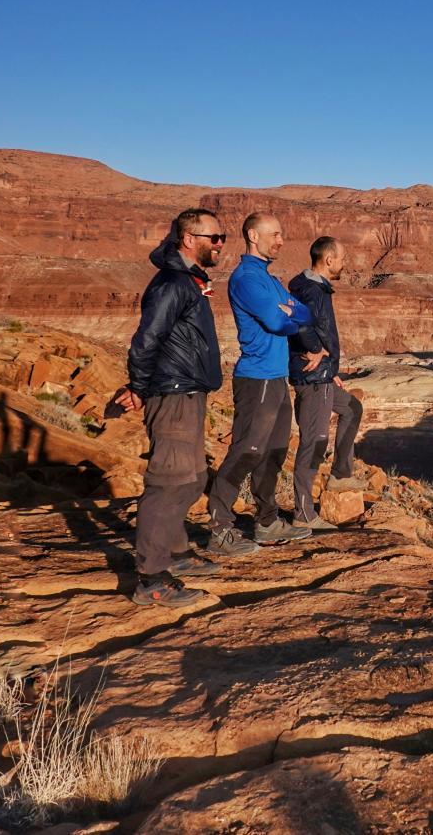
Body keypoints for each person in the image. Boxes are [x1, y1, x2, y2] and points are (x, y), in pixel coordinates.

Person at [115, 208, 226, 607]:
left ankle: (176, 554)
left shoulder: (190, 280)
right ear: (189, 239)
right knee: (168, 485)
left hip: (189, 392)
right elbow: (146, 341)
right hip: (174, 393)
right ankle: (151, 578)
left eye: (222, 237)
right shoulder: (173, 284)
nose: (220, 245)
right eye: (215, 237)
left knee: (193, 478)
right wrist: (139, 388)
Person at [205, 212, 315, 553]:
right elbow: (276, 322)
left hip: (277, 377)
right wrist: (286, 315)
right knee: (247, 452)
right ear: (254, 235)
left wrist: (289, 312)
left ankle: (266, 522)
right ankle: (219, 528)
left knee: (274, 453)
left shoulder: (268, 278)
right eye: (276, 234)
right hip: (257, 379)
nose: (282, 240)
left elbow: (306, 313)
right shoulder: (246, 278)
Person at [287, 236, 366, 530]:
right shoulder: (313, 291)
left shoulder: (314, 288)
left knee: (352, 409)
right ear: (329, 259)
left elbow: (314, 326)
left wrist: (330, 367)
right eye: (342, 258)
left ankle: (341, 473)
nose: (345, 263)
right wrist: (316, 352)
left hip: (322, 375)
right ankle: (303, 513)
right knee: (314, 442)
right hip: (312, 379)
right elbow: (298, 322)